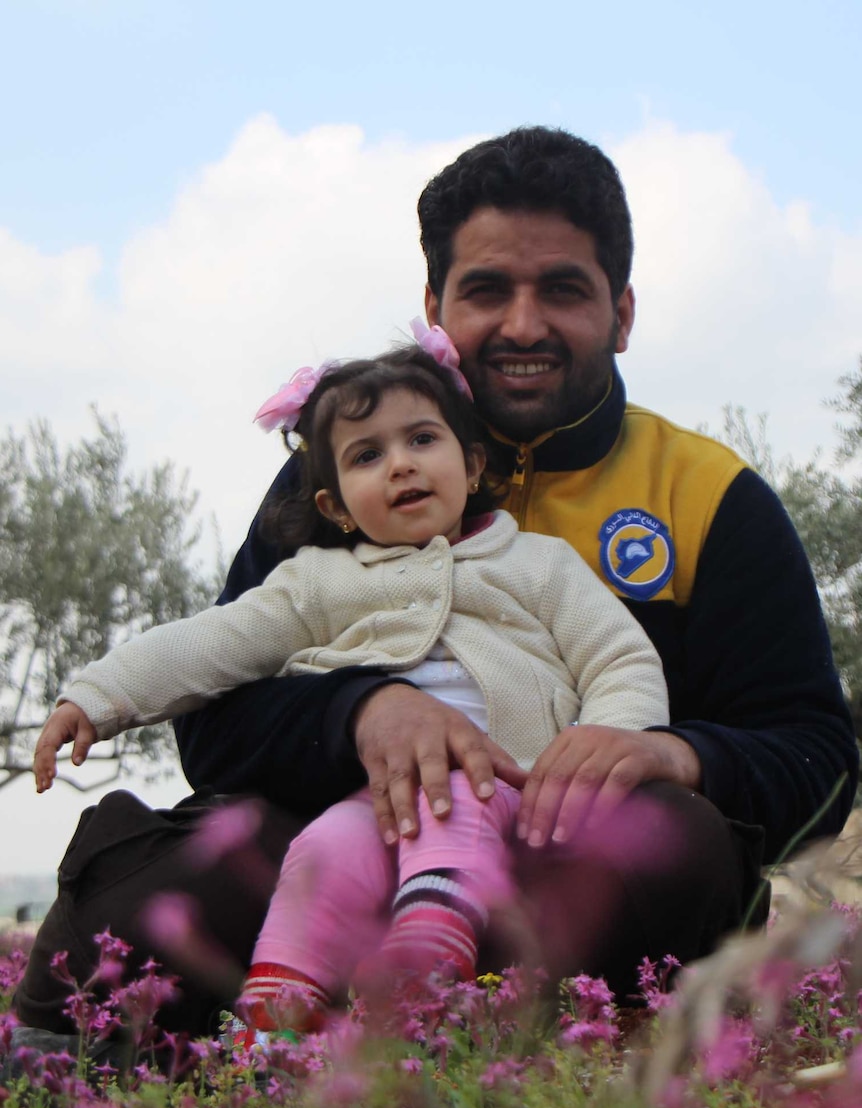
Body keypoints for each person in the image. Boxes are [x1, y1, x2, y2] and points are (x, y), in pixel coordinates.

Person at [14, 126, 858, 1044]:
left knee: (677, 840)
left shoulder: (712, 497)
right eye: (488, 290)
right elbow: (214, 719)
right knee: (170, 872)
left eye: (564, 290)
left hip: (569, 866)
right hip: (340, 850)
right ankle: (264, 1025)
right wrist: (361, 714)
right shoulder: (332, 487)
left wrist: (668, 755)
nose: (524, 324)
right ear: (435, 305)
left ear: (621, 312)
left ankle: (423, 1020)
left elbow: (817, 753)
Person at [32, 332, 669, 1039]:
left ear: (472, 461)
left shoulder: (538, 564)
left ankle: (422, 977)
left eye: (422, 440)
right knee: (321, 850)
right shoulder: (315, 582)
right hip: (372, 803)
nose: (401, 465)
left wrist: (604, 741)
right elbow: (209, 642)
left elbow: (621, 660)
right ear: (336, 506)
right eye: (368, 454)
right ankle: (274, 1032)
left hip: (510, 790)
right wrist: (94, 696)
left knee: (454, 795)